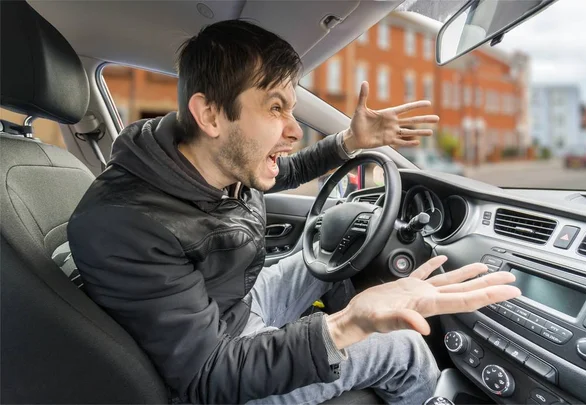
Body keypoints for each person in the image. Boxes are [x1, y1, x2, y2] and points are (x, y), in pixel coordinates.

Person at [68, 20, 520, 405]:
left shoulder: (210, 158)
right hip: (221, 367)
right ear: (210, 115)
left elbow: (278, 173)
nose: (294, 129)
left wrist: (349, 142)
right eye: (276, 108)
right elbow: (205, 375)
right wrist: (347, 326)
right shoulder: (126, 222)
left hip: (236, 306)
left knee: (330, 251)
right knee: (403, 350)